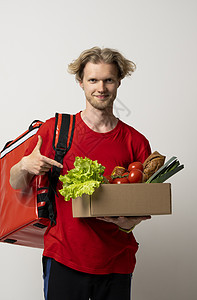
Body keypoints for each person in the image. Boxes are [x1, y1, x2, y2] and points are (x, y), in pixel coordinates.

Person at [9, 47, 151, 300]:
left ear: (119, 82)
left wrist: (130, 224)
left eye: (108, 80)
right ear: (81, 82)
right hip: (64, 257)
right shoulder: (55, 131)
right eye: (93, 80)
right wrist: (23, 166)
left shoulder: (135, 141)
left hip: (117, 262)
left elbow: (139, 203)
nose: (101, 88)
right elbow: (15, 182)